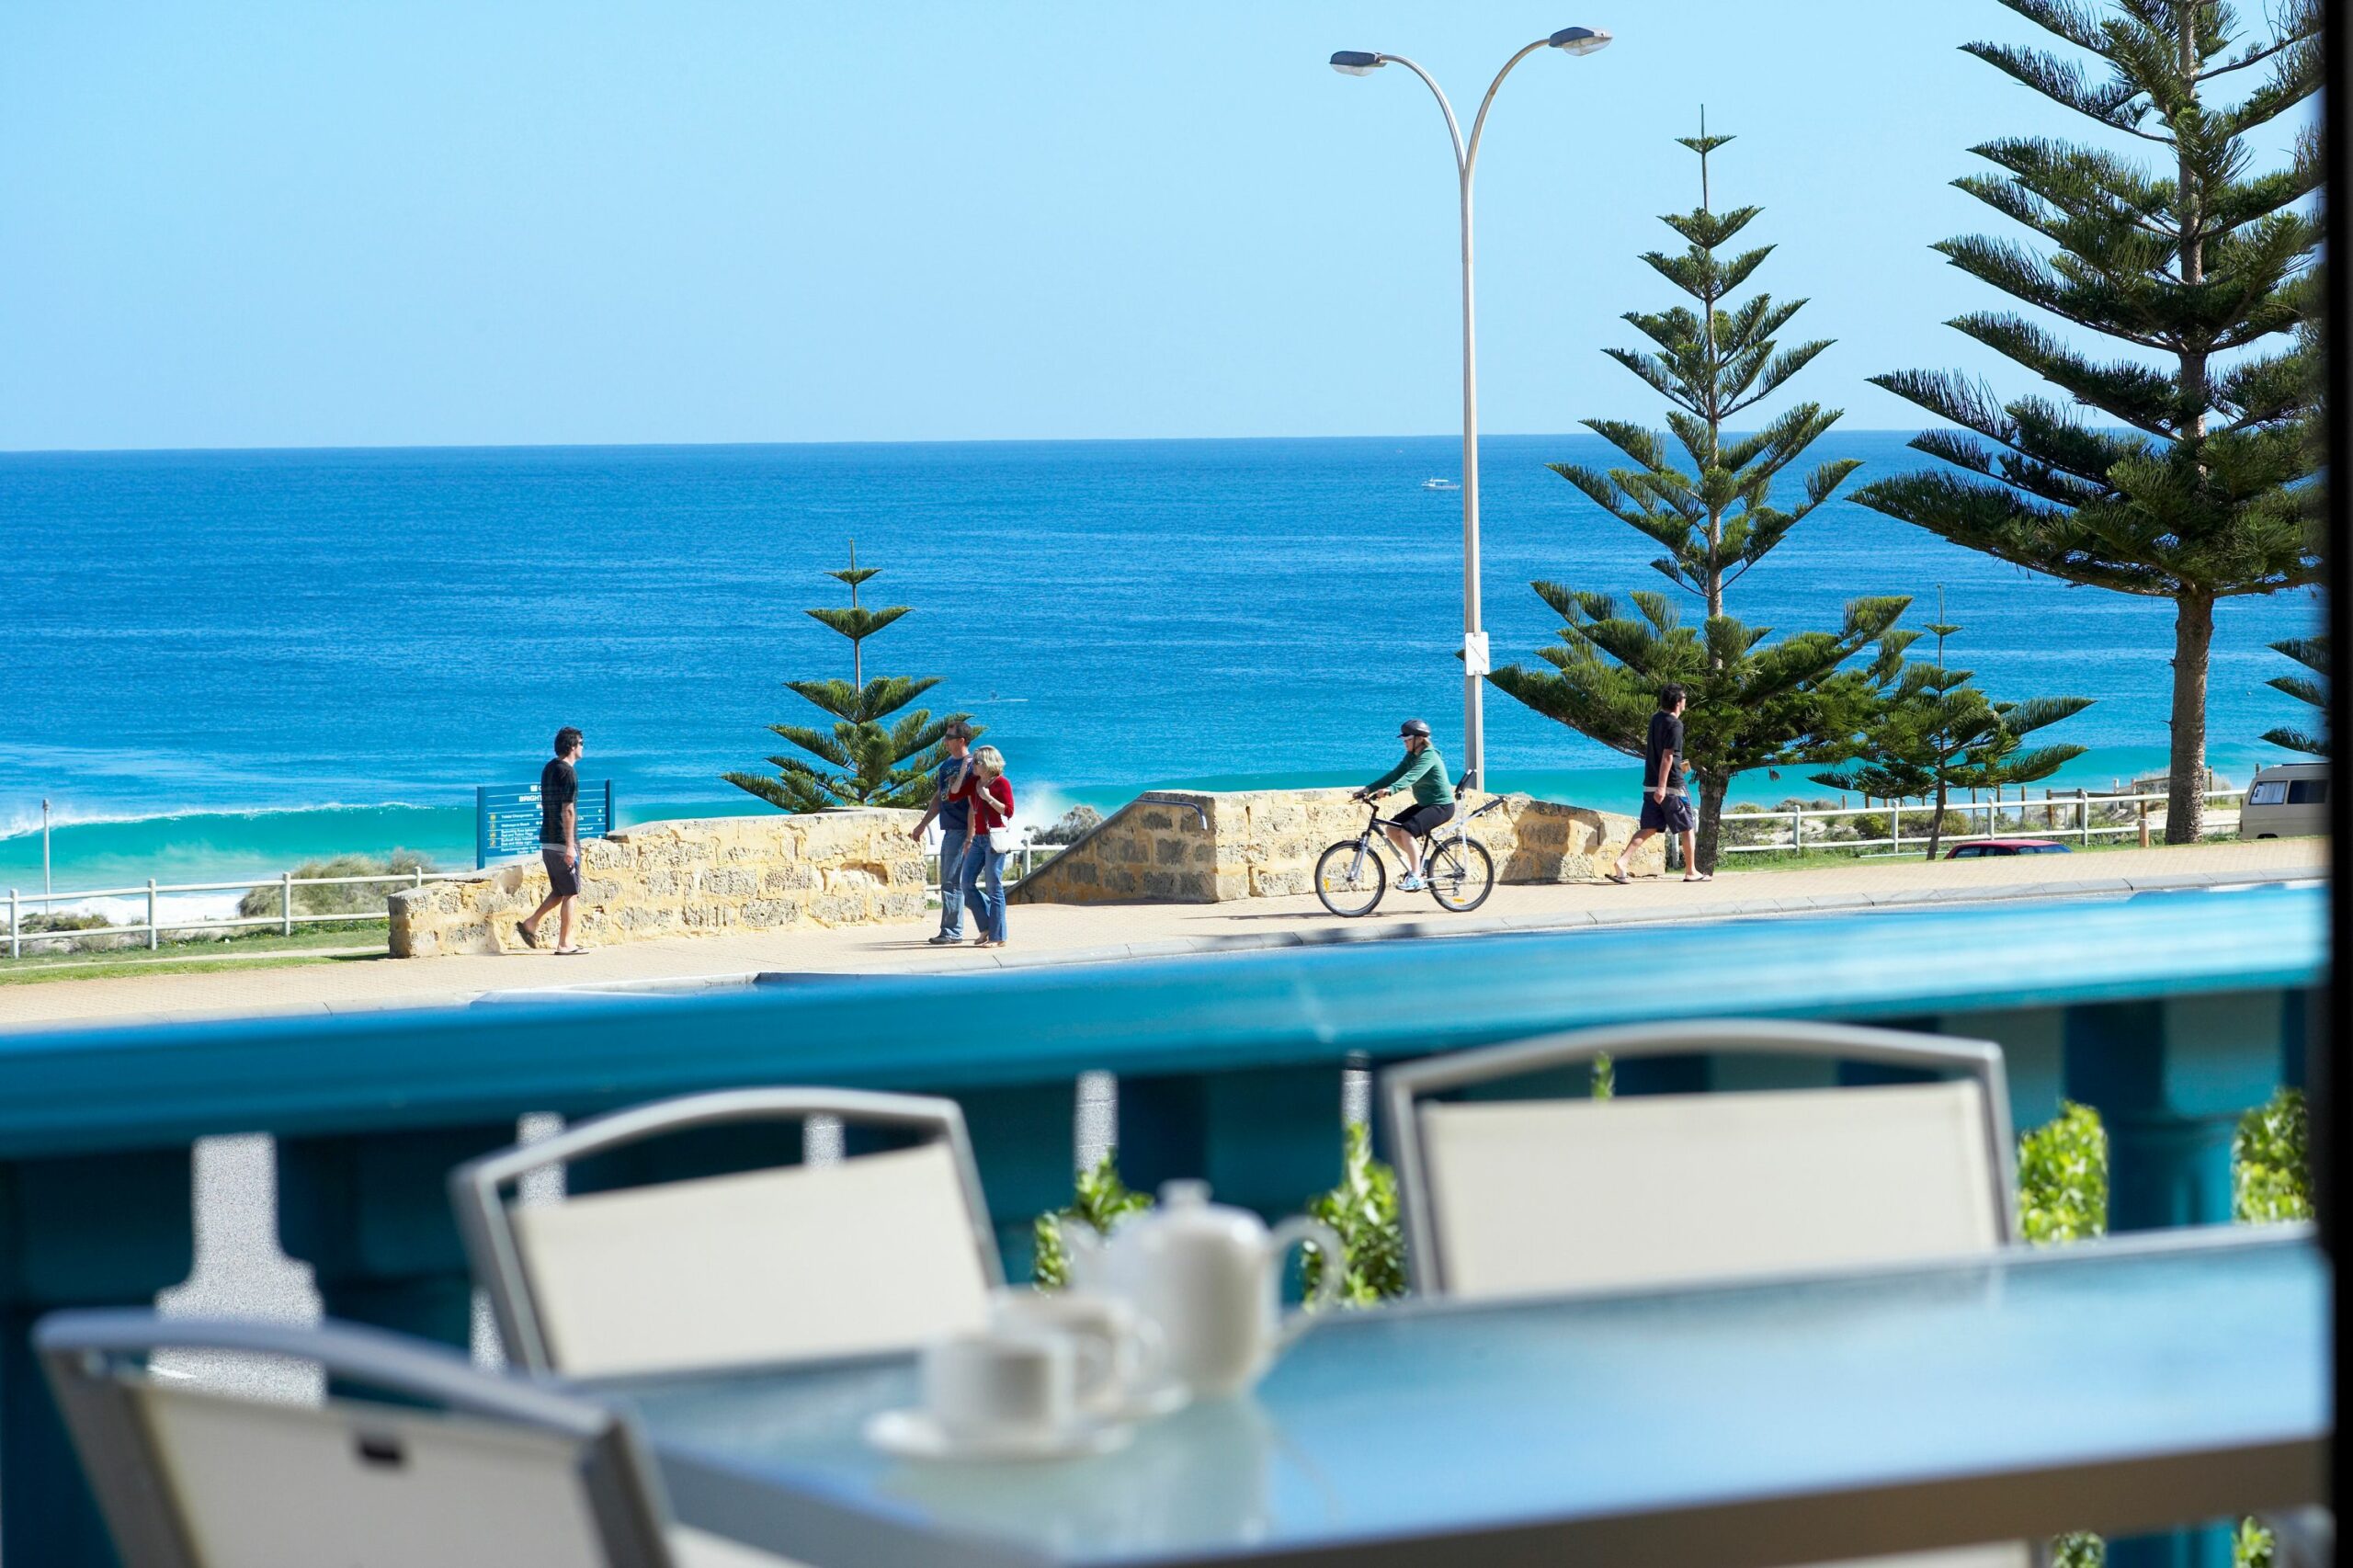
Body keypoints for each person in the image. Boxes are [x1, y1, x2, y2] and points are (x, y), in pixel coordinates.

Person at [1607, 684, 1706, 884]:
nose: (1686, 701)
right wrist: (1663, 787)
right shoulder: (1675, 725)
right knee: (1687, 826)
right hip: (1671, 786)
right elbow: (1668, 756)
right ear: (1678, 702)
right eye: (1684, 698)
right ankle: (1691, 871)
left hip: (1650, 782)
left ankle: (1622, 862)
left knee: (1650, 827)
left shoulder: (1655, 719)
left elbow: (1663, 754)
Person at [1354, 719, 1454, 892]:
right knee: (1392, 829)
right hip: (1425, 804)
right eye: (1404, 740)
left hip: (1441, 806)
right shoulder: (1411, 756)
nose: (1405, 743)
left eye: (1407, 739)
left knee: (1407, 830)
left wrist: (1390, 791)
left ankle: (1416, 876)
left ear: (1419, 739)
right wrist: (1368, 788)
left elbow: (1411, 777)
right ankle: (1421, 863)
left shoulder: (1429, 755)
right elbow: (1396, 774)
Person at [517, 726, 589, 953]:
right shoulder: (569, 773)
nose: (583, 747)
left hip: (548, 839)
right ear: (572, 746)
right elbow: (567, 810)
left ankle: (531, 923)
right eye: (581, 743)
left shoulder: (549, 768)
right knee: (571, 893)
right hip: (561, 841)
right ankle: (565, 943)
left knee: (559, 890)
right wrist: (570, 846)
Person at [907, 720, 977, 946]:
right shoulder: (946, 766)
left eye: (949, 737)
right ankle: (985, 920)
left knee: (953, 883)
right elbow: (938, 799)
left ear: (961, 741)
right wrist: (922, 824)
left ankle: (952, 932)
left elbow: (973, 805)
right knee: (958, 883)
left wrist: (970, 836)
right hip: (950, 829)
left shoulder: (972, 765)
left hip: (963, 830)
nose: (944, 741)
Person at [949, 744, 1016, 949]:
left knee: (994, 888)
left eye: (976, 762)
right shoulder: (975, 782)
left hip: (994, 838)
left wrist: (988, 798)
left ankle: (998, 936)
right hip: (978, 839)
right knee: (966, 883)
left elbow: (1009, 811)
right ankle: (986, 927)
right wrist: (961, 772)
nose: (973, 766)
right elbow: (953, 795)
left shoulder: (1001, 783)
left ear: (987, 764)